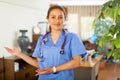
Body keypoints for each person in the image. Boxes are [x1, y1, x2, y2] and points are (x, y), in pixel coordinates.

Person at [4, 5, 86, 80]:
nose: (57, 21)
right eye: (53, 17)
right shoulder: (42, 39)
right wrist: (19, 54)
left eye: (60, 17)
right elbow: (39, 64)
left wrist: (53, 69)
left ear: (65, 19)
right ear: (48, 19)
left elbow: (77, 62)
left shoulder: (73, 37)